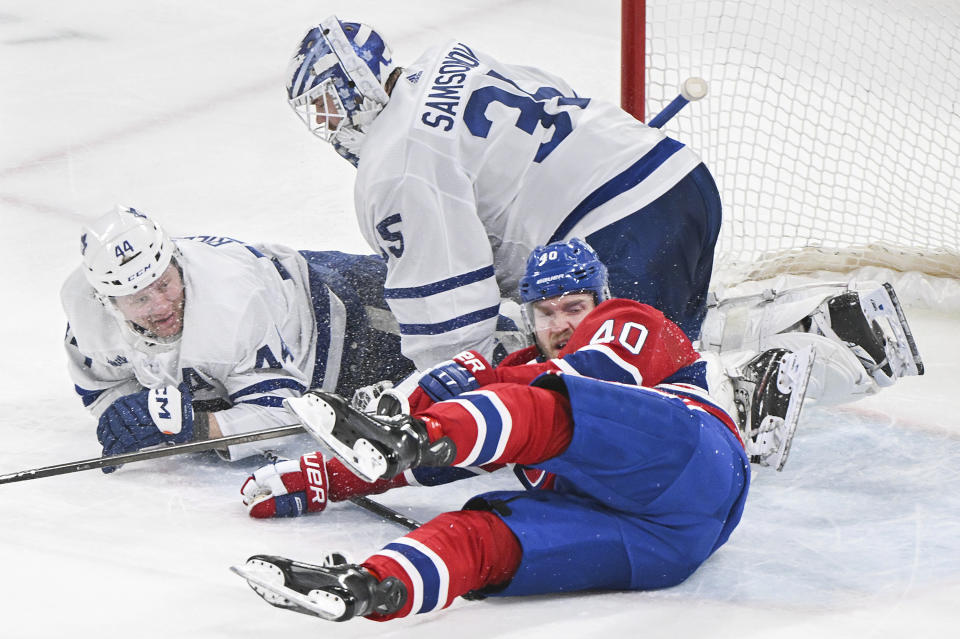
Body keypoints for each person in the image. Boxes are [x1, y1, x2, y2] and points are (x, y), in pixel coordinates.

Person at [233, 237, 768, 622]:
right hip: (666, 547)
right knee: (482, 541)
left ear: (600, 303)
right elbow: (455, 458)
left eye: (575, 308)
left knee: (537, 408)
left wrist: (461, 391)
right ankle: (369, 589)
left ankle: (405, 435)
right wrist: (326, 478)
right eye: (545, 312)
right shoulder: (520, 389)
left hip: (695, 466)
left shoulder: (632, 322)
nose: (559, 325)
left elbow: (584, 381)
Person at [284, 16, 723, 370]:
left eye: (327, 106)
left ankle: (741, 385)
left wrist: (455, 401)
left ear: (356, 86)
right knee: (672, 348)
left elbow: (447, 317)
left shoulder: (395, 163)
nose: (328, 125)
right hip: (680, 177)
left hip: (620, 227)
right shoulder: (449, 57)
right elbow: (556, 93)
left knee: (614, 389)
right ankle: (716, 379)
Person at [62, 205, 416, 466]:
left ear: (177, 262)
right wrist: (133, 417)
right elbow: (104, 388)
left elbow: (286, 415)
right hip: (278, 297)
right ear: (107, 302)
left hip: (347, 315)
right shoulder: (86, 316)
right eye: (140, 299)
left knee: (459, 334)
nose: (161, 306)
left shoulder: (232, 305)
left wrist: (195, 427)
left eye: (165, 284)